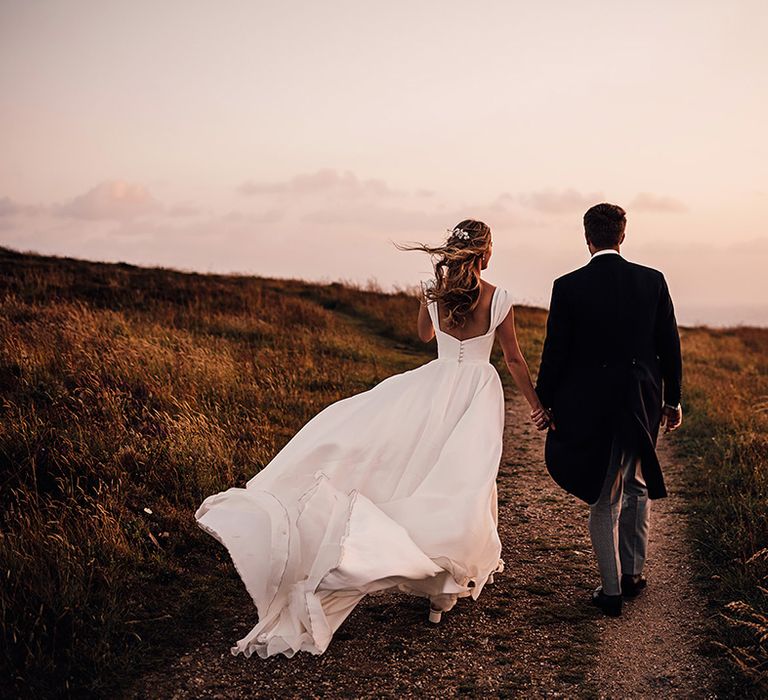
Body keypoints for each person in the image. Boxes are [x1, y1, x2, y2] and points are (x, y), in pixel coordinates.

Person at [195, 219, 547, 658]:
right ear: (487, 254)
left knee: (424, 473)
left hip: (435, 385)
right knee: (465, 482)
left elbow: (423, 336)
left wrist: (434, 299)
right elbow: (513, 359)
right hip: (477, 390)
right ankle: (442, 592)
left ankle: (434, 579)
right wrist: (535, 404)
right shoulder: (500, 298)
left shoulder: (433, 290)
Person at [533, 203, 683, 617]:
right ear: (622, 235)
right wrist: (673, 399)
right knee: (633, 481)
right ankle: (633, 573)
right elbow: (670, 346)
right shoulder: (652, 280)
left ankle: (613, 589)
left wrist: (543, 401)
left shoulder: (567, 286)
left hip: (590, 404)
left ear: (587, 238)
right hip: (642, 399)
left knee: (604, 495)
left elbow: (556, 352)